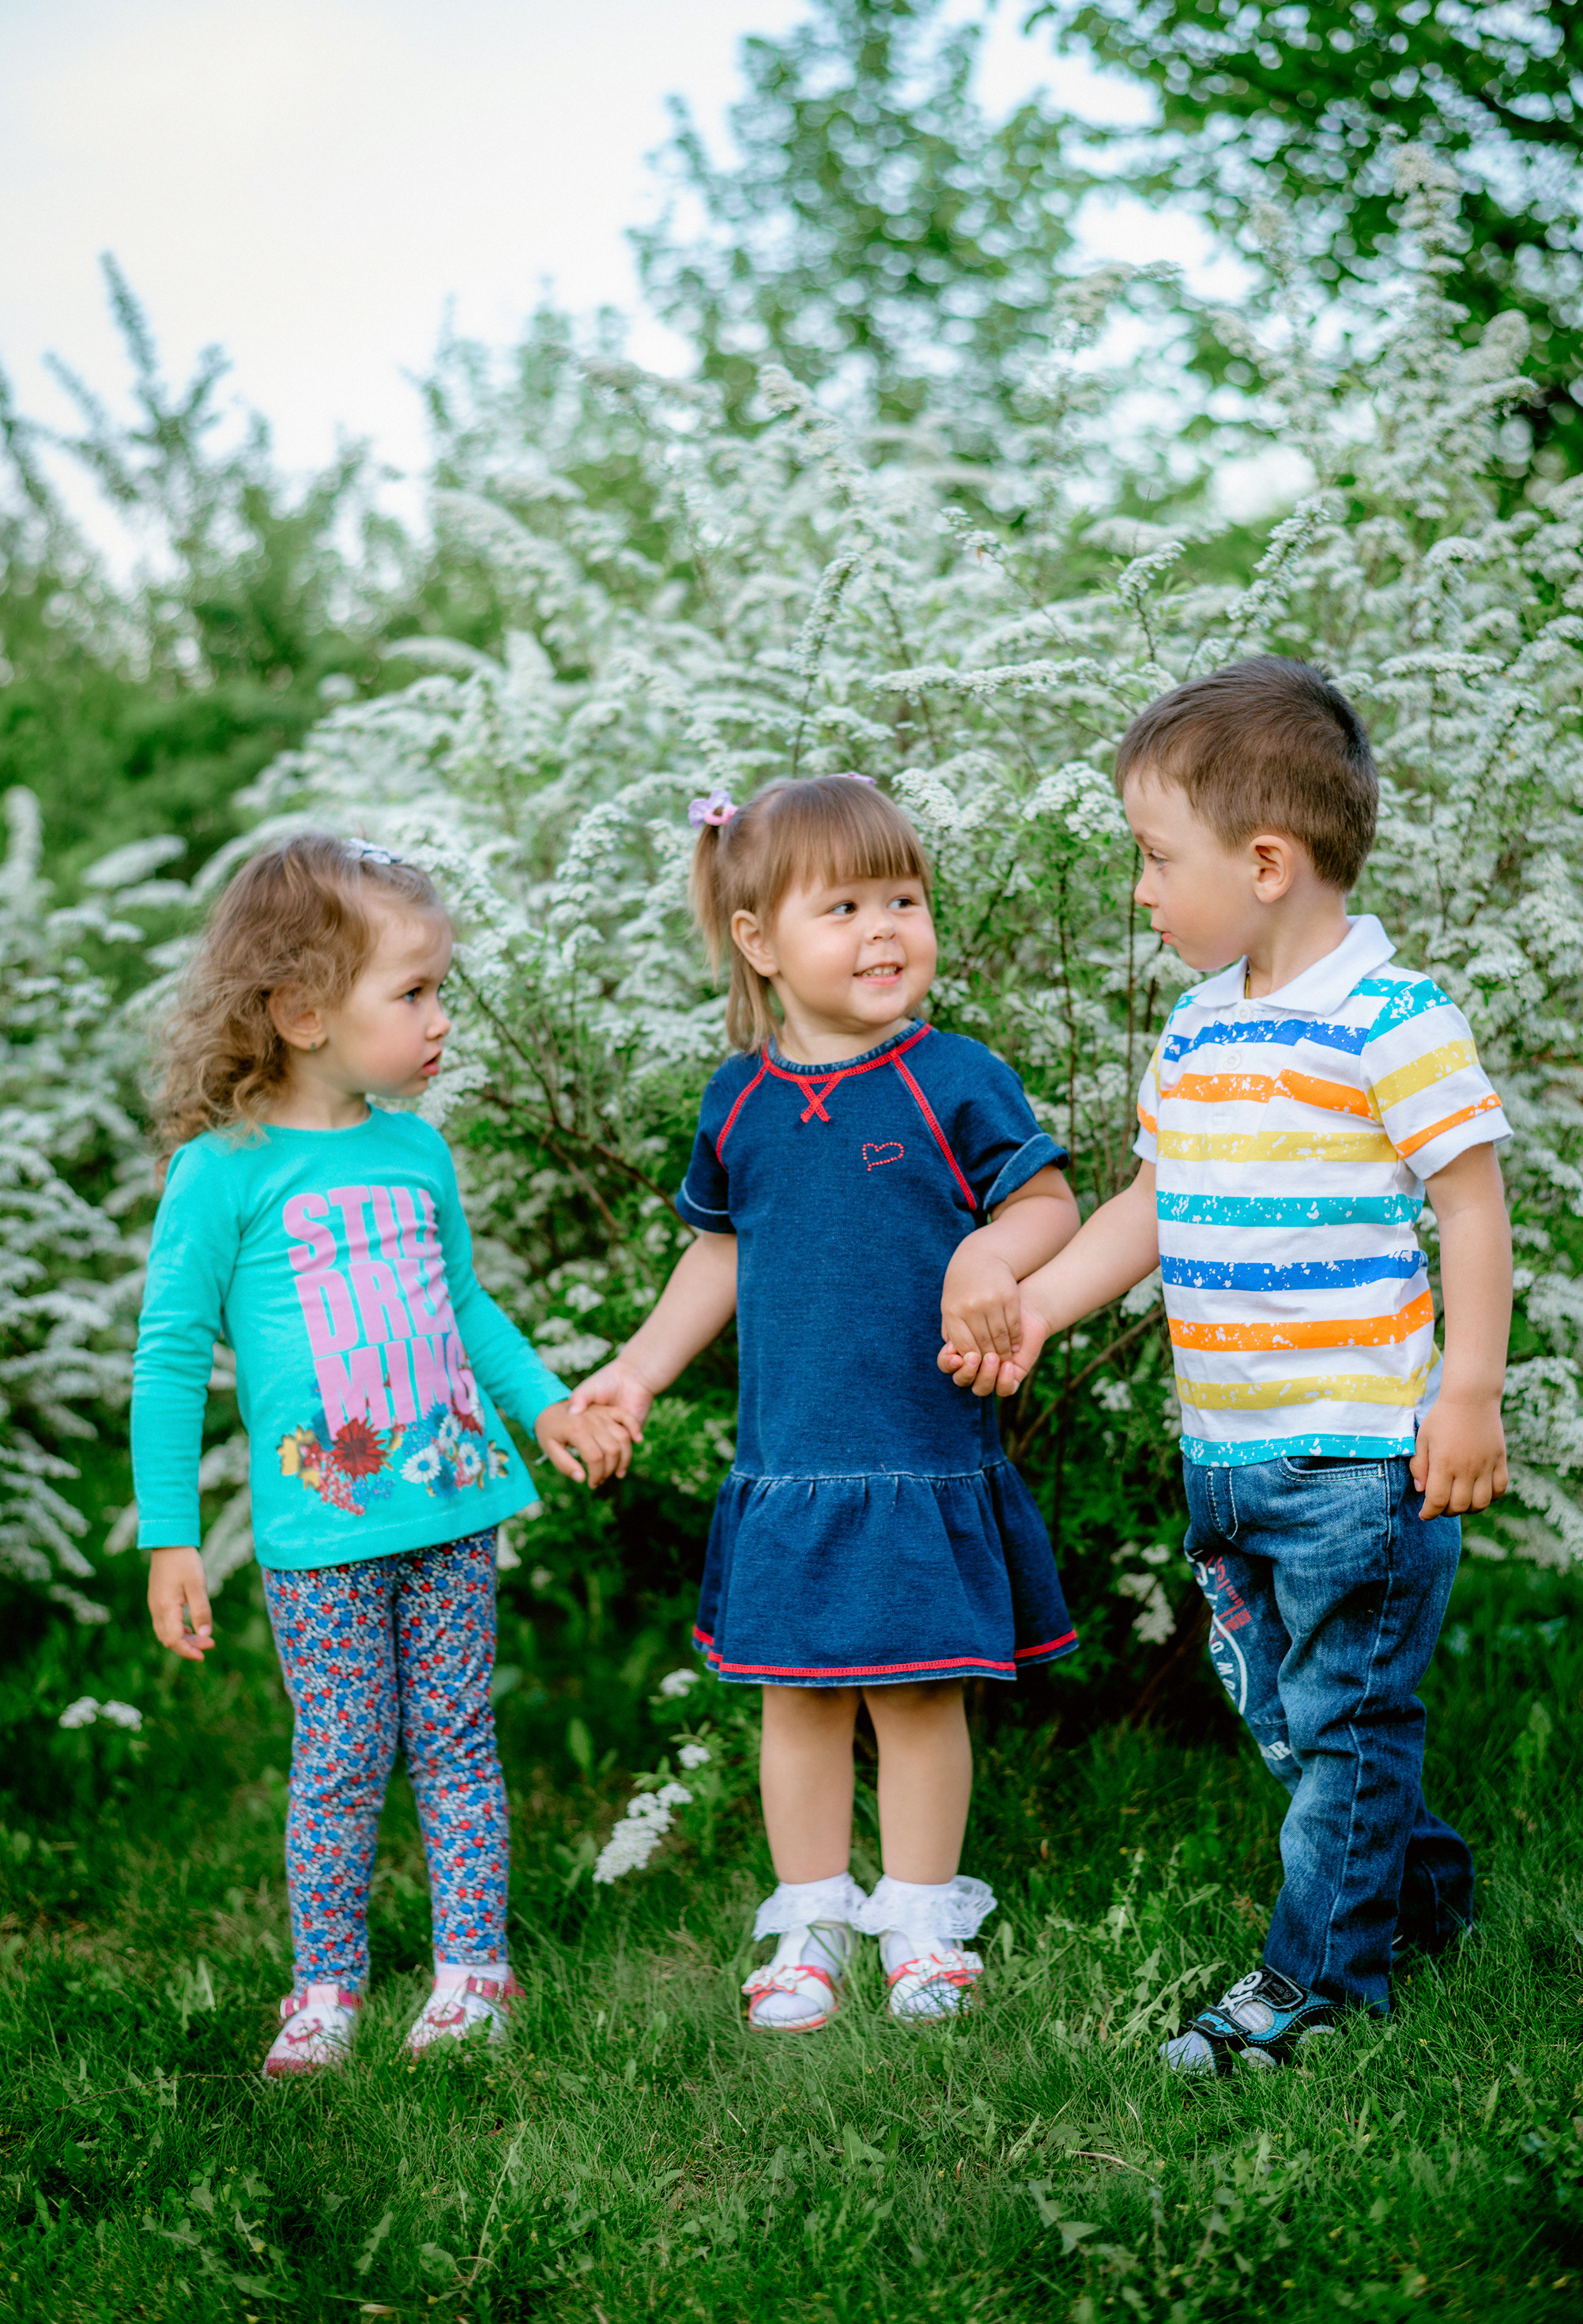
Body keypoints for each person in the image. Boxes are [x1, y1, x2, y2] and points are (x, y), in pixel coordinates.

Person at [945, 656, 1512, 2071]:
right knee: (1299, 1719)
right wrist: (1037, 1306)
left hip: (1360, 1459)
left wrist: (1467, 1394)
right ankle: (1421, 1895)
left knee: (1345, 1722)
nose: (1140, 890)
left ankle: (1318, 1983)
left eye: (1156, 857)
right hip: (1230, 1452)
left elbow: (1471, 1208)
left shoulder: (1393, 1019)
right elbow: (1152, 1207)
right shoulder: (1201, 1026)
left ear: (1266, 863)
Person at [567, 774, 1080, 2029]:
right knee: (794, 1698)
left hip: (917, 1454)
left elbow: (1048, 1205)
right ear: (759, 942)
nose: (885, 930)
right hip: (791, 1464)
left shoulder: (951, 1078)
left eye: (904, 899)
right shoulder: (739, 1101)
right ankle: (809, 1922)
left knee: (918, 1693)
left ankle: (921, 1919)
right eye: (843, 908)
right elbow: (720, 1254)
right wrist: (636, 1369)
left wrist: (989, 1254)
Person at [133, 833, 636, 2077]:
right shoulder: (222, 1175)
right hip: (323, 1533)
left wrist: (547, 1408)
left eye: (438, 989)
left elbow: (464, 1305)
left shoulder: (416, 1152)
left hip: (453, 1507)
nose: (440, 1018)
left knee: (457, 1740)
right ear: (303, 1012)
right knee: (344, 1756)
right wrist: (170, 1538)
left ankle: (474, 1971)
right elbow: (168, 1355)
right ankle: (326, 1986)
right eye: (412, 992)